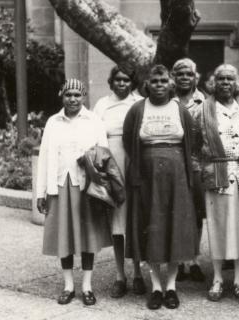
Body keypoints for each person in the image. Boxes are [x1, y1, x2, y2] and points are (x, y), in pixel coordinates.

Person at [123, 65, 199, 310]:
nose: (158, 85)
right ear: (148, 84)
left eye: (163, 81)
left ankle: (171, 286)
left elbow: (191, 139)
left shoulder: (180, 109)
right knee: (152, 227)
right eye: (154, 81)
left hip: (176, 174)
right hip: (147, 175)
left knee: (175, 228)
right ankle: (156, 286)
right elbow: (128, 139)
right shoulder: (137, 109)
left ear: (171, 83)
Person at [36, 79, 112, 306]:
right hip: (60, 185)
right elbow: (45, 157)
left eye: (77, 95)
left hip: (86, 186)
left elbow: (104, 155)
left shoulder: (94, 121)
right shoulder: (53, 122)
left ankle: (87, 286)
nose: (72, 99)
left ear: (84, 96)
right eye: (68, 94)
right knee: (64, 236)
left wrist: (93, 164)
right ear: (62, 96)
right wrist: (41, 192)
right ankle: (68, 285)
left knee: (88, 237)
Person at [192, 63, 239, 302]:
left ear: (236, 83)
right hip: (215, 173)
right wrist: (200, 169)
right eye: (221, 79)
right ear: (214, 83)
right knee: (218, 228)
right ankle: (218, 278)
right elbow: (193, 143)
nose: (226, 83)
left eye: (230, 79)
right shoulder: (203, 109)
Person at [93, 66, 146, 298]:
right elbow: (95, 138)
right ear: (111, 82)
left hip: (135, 162)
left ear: (132, 83)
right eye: (118, 80)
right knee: (117, 222)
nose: (122, 84)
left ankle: (137, 274)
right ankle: (119, 275)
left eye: (126, 80)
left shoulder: (141, 103)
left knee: (135, 221)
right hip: (112, 164)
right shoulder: (102, 105)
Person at [170, 58, 206, 283]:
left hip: (196, 162)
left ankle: (193, 260)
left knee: (196, 212)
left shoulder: (204, 101)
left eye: (189, 74)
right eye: (180, 74)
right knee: (177, 210)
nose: (185, 78)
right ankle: (180, 260)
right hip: (173, 162)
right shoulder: (167, 101)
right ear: (174, 77)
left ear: (195, 77)